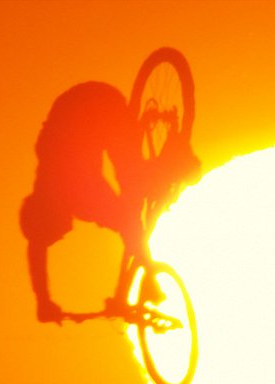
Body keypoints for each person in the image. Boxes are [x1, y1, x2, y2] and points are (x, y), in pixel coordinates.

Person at [20, 81, 199, 324]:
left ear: (51, 218)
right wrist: (42, 300)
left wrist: (149, 274)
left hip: (102, 111)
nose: (64, 235)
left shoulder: (74, 194)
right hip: (88, 100)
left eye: (57, 234)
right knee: (130, 196)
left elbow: (126, 224)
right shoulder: (46, 186)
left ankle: (176, 157)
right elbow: (36, 247)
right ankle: (163, 161)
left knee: (133, 193)